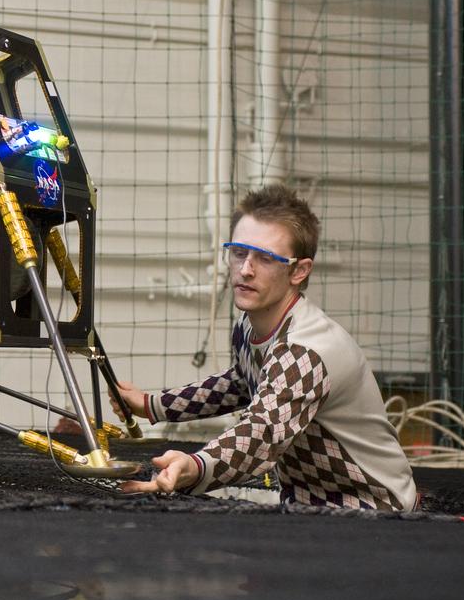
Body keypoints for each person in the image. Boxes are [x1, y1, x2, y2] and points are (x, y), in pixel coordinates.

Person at [112, 184, 417, 510]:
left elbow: (262, 433)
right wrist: (152, 404)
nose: (245, 269)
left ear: (299, 270)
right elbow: (242, 381)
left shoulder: (304, 351)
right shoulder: (251, 323)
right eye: (239, 252)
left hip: (375, 511)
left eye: (265, 258)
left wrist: (196, 466)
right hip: (305, 505)